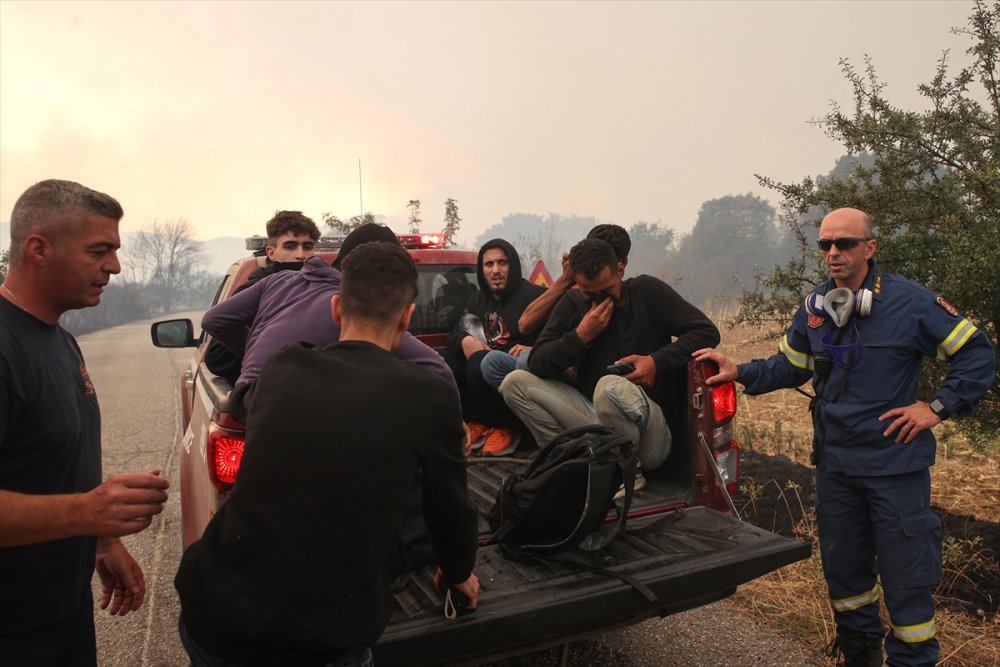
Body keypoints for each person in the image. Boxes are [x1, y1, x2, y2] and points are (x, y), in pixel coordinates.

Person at [693, 207, 994, 667]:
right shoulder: (816, 308)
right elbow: (791, 365)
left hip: (895, 469)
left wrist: (935, 407)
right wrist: (741, 372)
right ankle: (859, 655)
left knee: (906, 582)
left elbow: (976, 352)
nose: (833, 253)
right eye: (825, 245)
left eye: (844, 244)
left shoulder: (910, 303)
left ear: (869, 248)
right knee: (846, 579)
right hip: (836, 469)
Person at [175, 241, 479, 667]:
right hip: (320, 642)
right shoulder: (429, 396)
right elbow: (449, 508)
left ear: (337, 309)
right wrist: (458, 570)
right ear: (408, 317)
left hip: (212, 612)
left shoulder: (282, 366)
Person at [0, 179, 170, 665]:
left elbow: (51, 462)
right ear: (39, 249)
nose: (114, 267)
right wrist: (85, 513)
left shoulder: (59, 337)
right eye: (100, 251)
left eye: (115, 251)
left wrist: (101, 539)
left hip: (60, 612)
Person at [501, 237, 720, 488]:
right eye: (589, 293)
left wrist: (656, 362)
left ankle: (625, 475)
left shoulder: (646, 292)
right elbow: (537, 361)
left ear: (620, 269)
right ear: (578, 283)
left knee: (609, 386)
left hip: (652, 437)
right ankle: (572, 463)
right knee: (514, 382)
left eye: (606, 291)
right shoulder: (573, 304)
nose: (599, 300)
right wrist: (580, 337)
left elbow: (706, 331)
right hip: (598, 424)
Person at [202, 223, 451, 387]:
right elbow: (437, 369)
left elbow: (214, 320)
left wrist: (255, 352)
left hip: (245, 400)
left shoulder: (275, 281)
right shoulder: (359, 307)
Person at [441, 239, 545, 456]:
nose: (495, 270)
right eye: (489, 264)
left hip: (519, 369)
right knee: (449, 358)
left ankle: (507, 427)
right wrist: (464, 340)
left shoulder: (534, 296)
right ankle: (479, 421)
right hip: (485, 365)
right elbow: (454, 332)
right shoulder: (479, 299)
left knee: (480, 362)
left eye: (502, 263)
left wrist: (532, 347)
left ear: (513, 265)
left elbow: (556, 335)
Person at [204, 210, 321, 383]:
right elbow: (217, 357)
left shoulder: (328, 285)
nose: (300, 255)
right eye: (290, 246)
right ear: (271, 253)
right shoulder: (256, 289)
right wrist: (264, 352)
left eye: (307, 247)